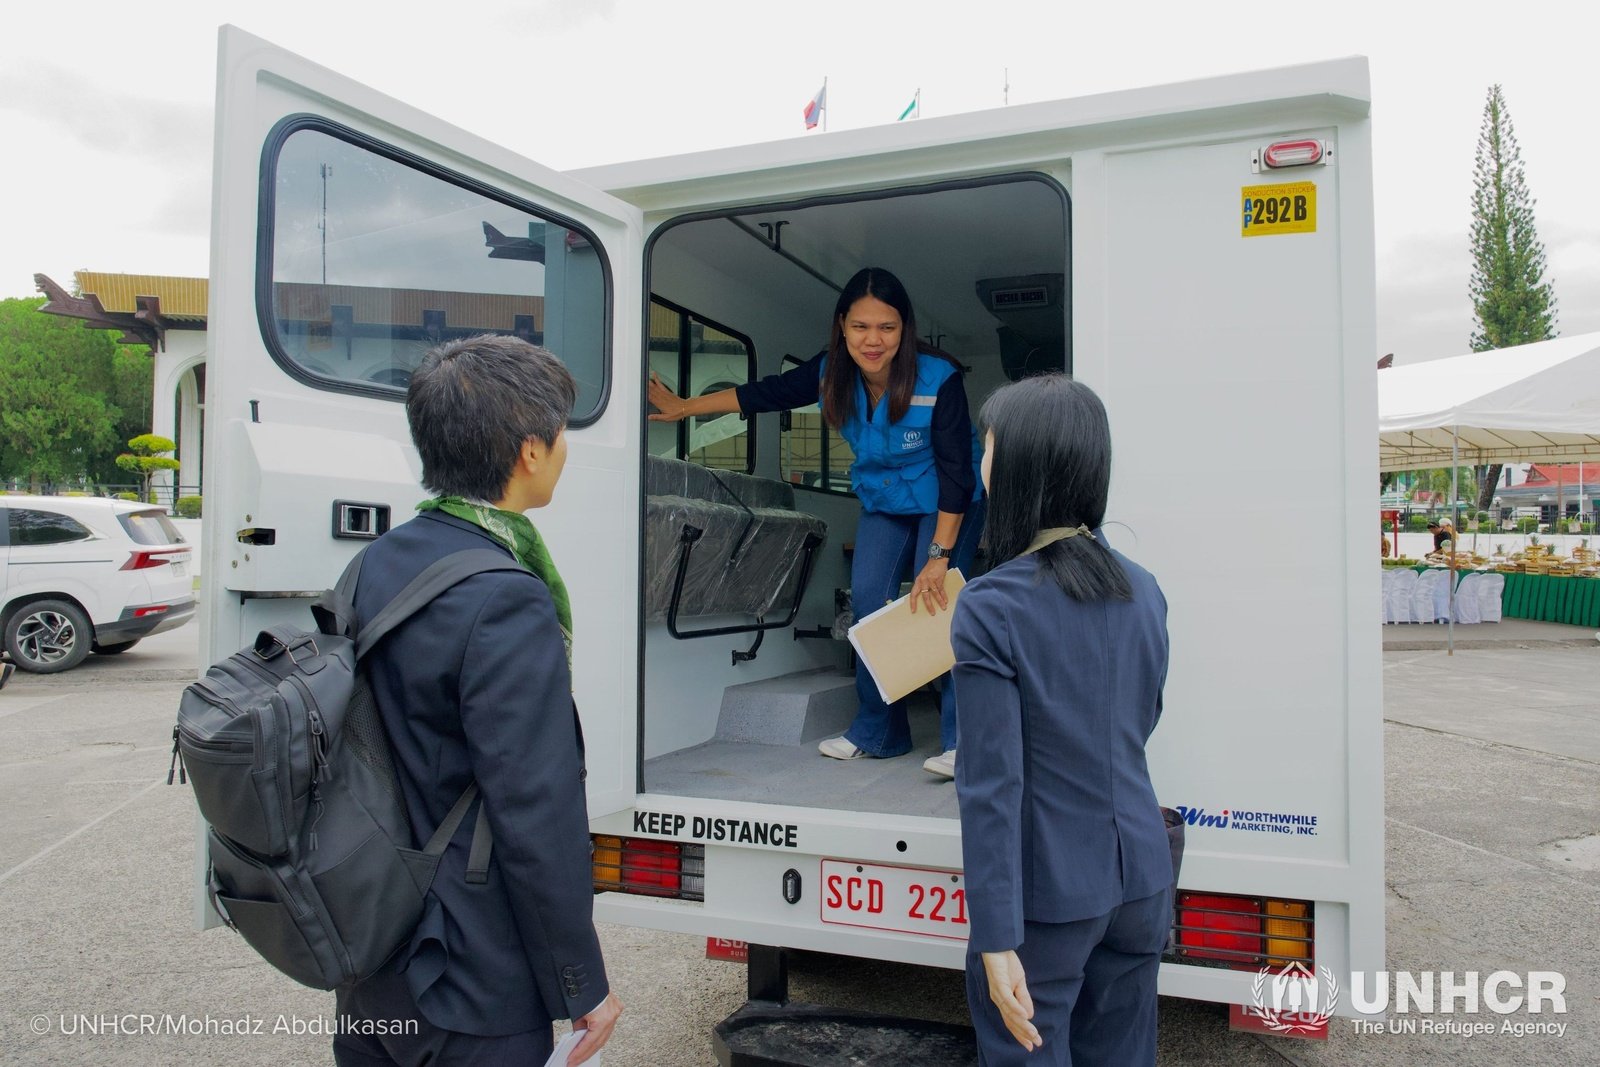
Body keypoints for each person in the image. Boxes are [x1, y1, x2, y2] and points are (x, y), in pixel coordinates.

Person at [334, 335, 621, 1066]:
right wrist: (580, 981)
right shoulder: (507, 598)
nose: (563, 450)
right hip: (467, 977)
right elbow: (534, 808)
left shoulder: (376, 561)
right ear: (530, 452)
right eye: (560, 435)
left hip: (371, 953)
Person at [648, 267, 984, 778]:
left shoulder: (940, 378)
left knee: (939, 609)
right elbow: (767, 394)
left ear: (905, 330)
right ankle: (879, 731)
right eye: (861, 327)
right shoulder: (832, 372)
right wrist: (686, 407)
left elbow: (959, 474)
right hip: (886, 500)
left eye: (887, 328)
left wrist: (937, 558)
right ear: (842, 326)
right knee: (869, 605)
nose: (873, 341)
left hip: (948, 502)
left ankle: (964, 743)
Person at [952, 374, 1172, 1066]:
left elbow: (990, 784)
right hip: (1141, 875)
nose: (982, 462)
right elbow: (1143, 716)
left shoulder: (991, 606)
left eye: (988, 447)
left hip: (1046, 900)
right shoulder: (1145, 589)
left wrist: (993, 936)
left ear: (1018, 465)